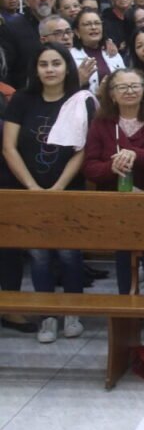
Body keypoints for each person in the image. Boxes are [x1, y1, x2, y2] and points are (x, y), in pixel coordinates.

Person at [2, 44, 90, 343]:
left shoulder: (80, 100)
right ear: (36, 69)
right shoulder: (23, 100)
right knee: (39, 255)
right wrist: (32, 188)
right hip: (29, 189)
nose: (50, 69)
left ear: (67, 67)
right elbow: (9, 147)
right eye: (43, 64)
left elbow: (83, 149)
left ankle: (73, 312)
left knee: (68, 253)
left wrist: (59, 187)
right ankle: (47, 316)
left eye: (56, 63)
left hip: (67, 189)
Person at [84, 68, 144, 299]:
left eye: (135, 86)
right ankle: (127, 308)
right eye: (122, 87)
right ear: (112, 94)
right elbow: (90, 167)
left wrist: (136, 154)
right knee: (123, 253)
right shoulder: (102, 122)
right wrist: (110, 167)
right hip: (118, 204)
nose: (129, 91)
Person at [70, 9, 124, 94]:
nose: (93, 27)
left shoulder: (112, 52)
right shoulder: (71, 56)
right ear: (77, 32)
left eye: (97, 23)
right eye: (87, 24)